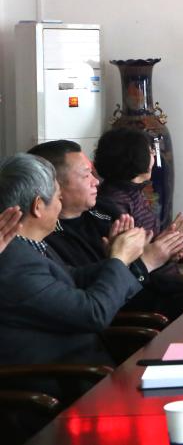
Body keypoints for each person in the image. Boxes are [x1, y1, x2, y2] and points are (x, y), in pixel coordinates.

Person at [0, 154, 146, 393]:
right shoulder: (13, 262)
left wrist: (119, 259)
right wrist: (119, 260)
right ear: (38, 206)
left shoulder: (27, 246)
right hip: (65, 385)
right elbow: (93, 313)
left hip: (85, 369)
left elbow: (73, 277)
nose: (60, 206)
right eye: (58, 198)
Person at [28, 139, 183, 320]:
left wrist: (162, 251)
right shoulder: (45, 238)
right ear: (54, 186)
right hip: (130, 319)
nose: (96, 182)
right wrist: (139, 261)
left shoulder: (105, 212)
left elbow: (136, 265)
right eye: (86, 175)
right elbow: (90, 299)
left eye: (93, 173)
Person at [94, 127, 183, 237]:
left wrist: (176, 233)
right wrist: (179, 234)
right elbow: (134, 253)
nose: (154, 155)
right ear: (137, 158)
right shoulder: (114, 203)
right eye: (150, 152)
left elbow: (150, 242)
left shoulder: (133, 191)